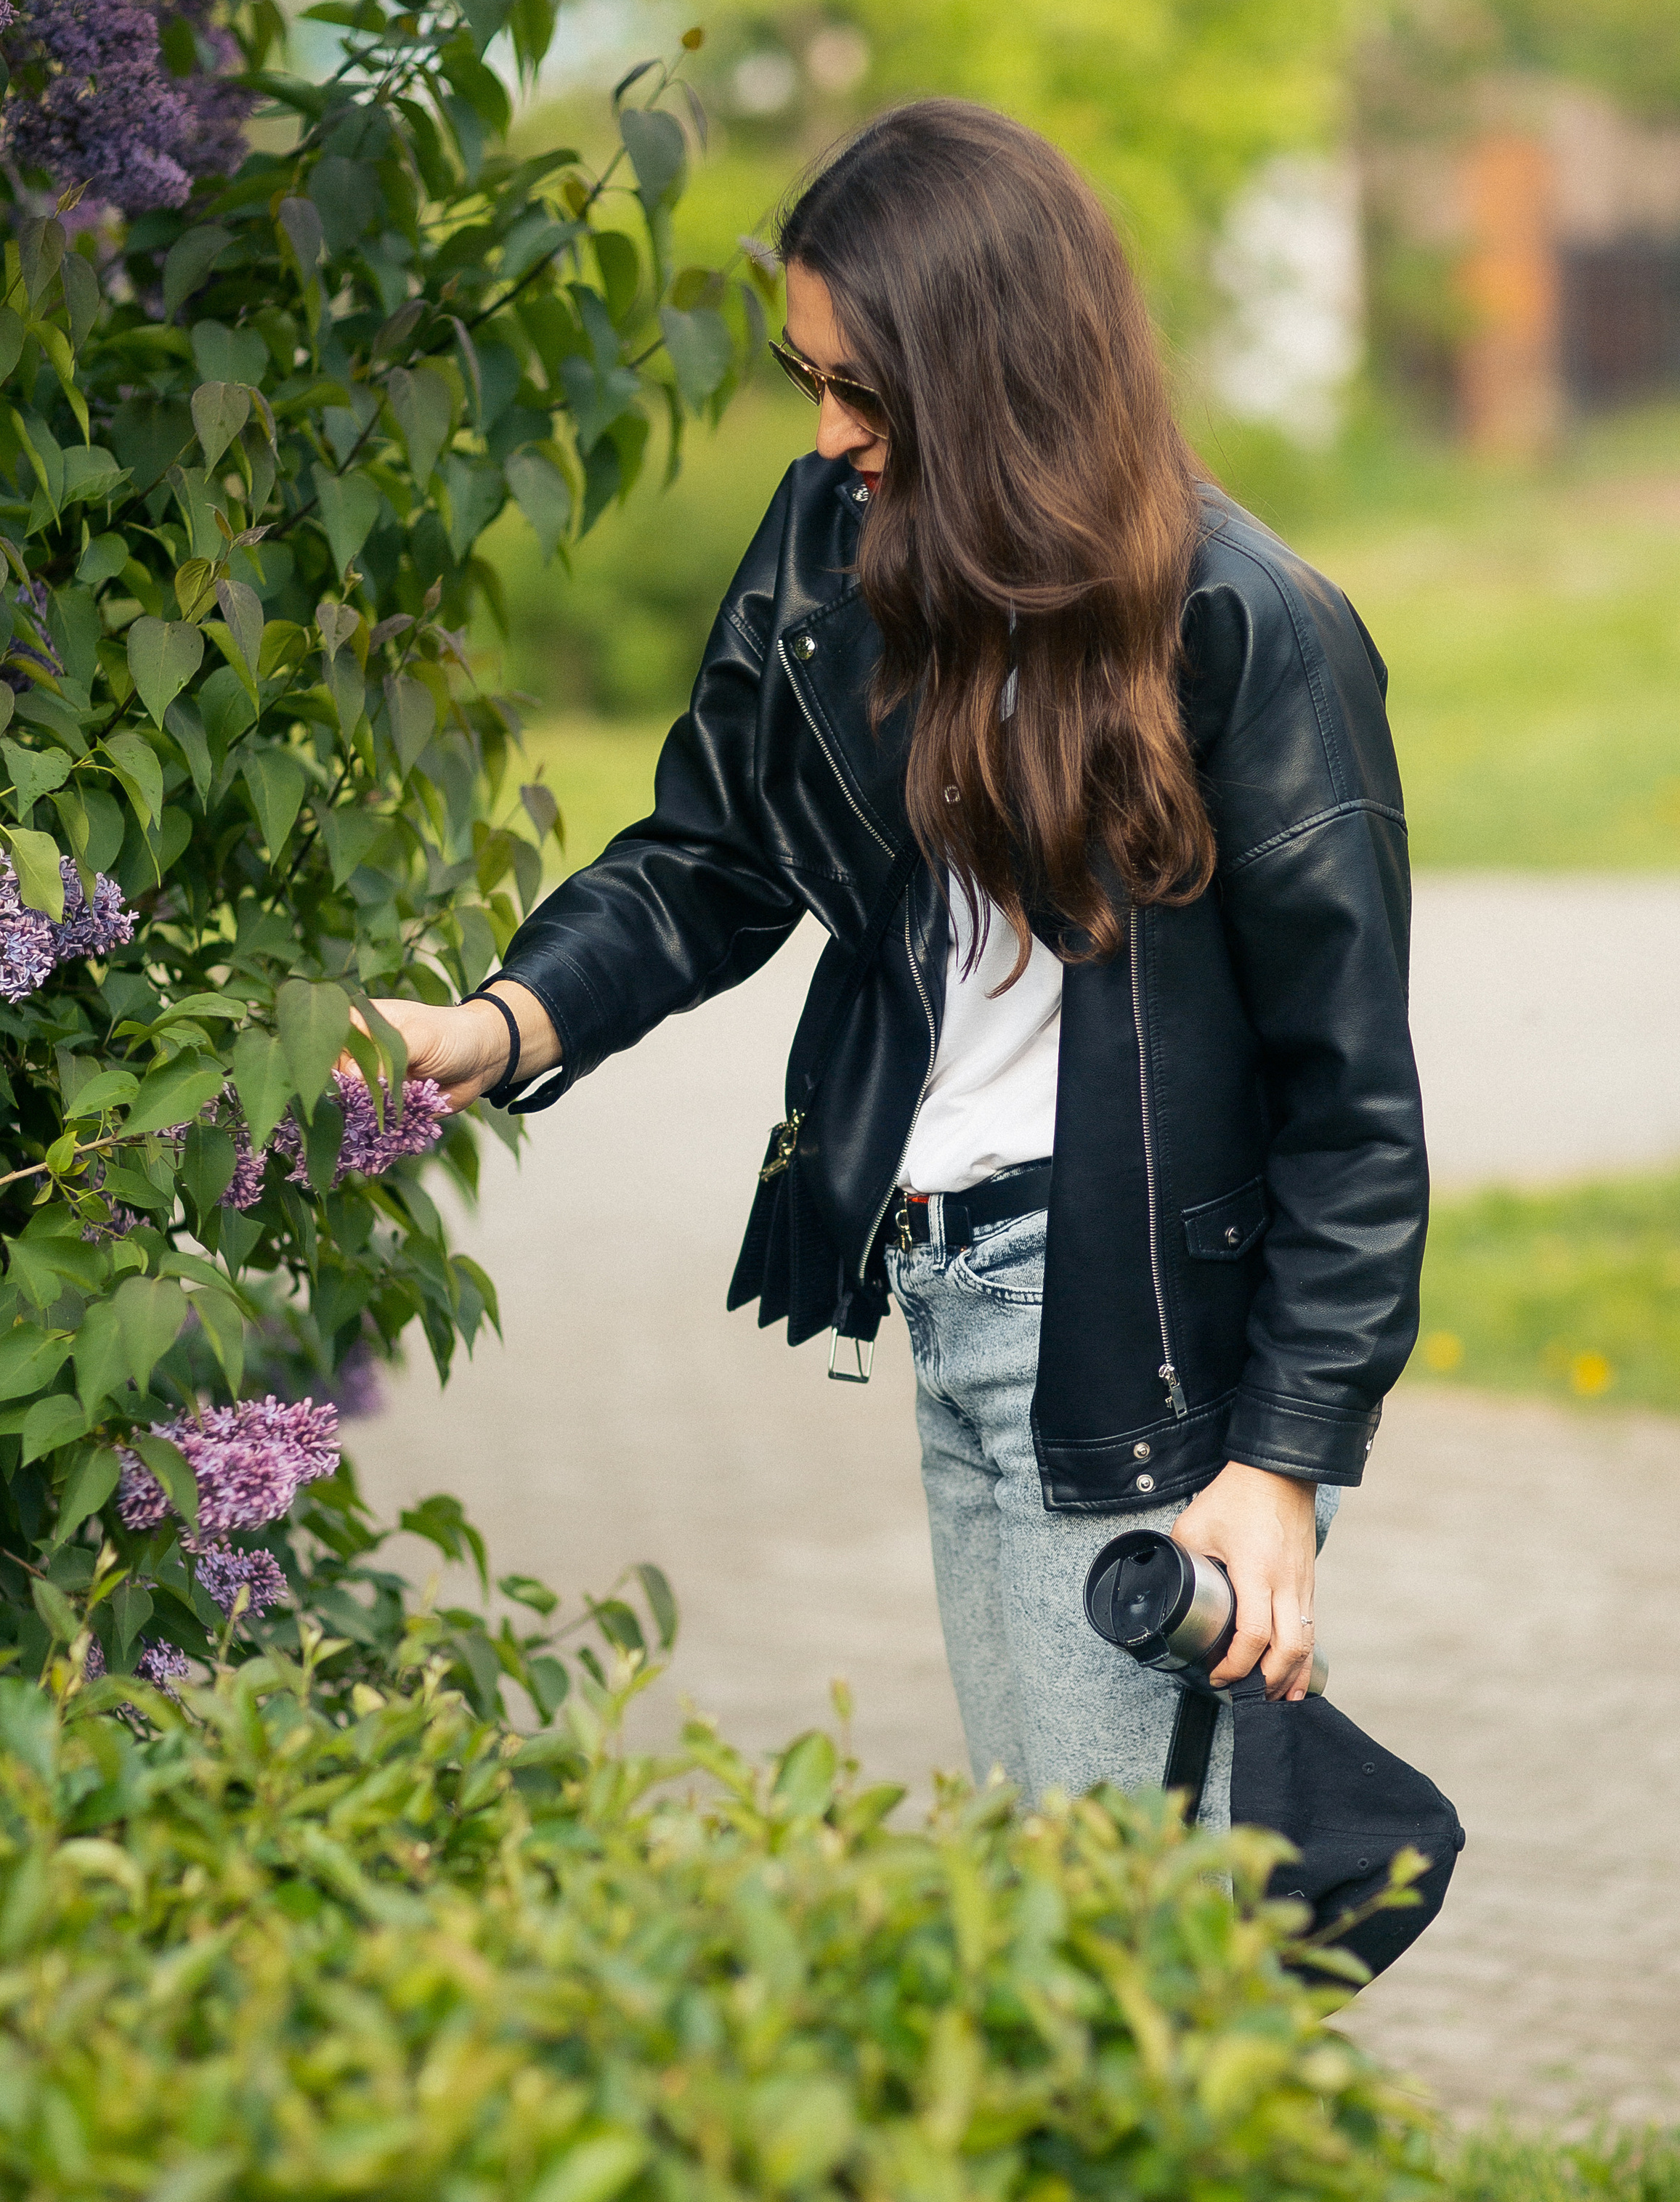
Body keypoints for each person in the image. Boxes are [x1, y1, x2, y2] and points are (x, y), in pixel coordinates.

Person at [369, 98, 1428, 1811]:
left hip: (1116, 1325)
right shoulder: (831, 547)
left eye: (862, 390)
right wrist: (499, 1022)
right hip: (940, 1289)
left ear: (990, 371)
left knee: (1095, 1919)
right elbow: (715, 853)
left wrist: (1282, 1461)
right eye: (812, 380)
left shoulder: (1240, 630)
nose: (829, 432)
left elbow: (1349, 1098)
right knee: (1071, 1887)